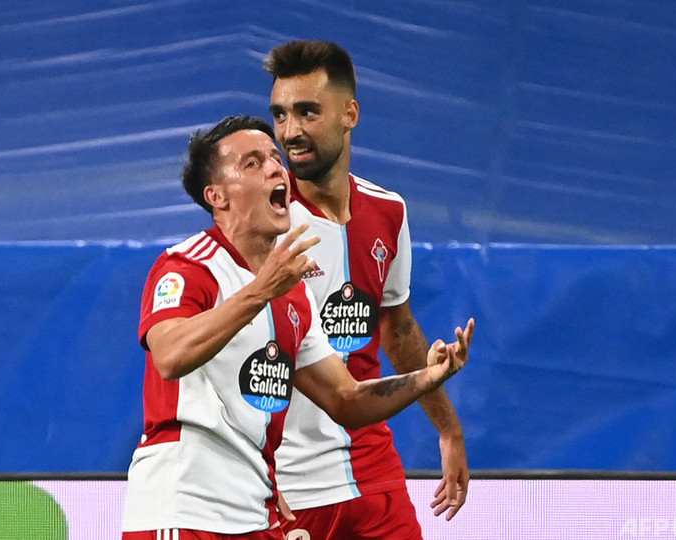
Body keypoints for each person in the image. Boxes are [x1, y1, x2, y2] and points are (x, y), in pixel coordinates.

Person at [120, 115, 475, 540]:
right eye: (253, 163)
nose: (276, 168)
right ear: (217, 196)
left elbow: (346, 399)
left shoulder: (292, 295)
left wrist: (427, 377)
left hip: (254, 512)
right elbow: (170, 355)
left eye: (274, 158)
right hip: (183, 509)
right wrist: (261, 290)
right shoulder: (187, 267)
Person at [264, 40, 470, 540]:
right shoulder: (264, 222)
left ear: (349, 114)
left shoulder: (388, 211)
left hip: (372, 472)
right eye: (280, 115)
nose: (290, 131)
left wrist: (448, 428)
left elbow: (397, 330)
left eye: (307, 112)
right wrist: (257, 479)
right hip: (287, 485)